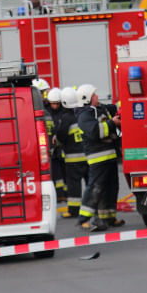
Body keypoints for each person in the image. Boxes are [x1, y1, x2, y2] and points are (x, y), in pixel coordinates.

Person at [76, 83, 123, 231]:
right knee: (95, 188)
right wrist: (112, 123)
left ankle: (108, 217)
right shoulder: (85, 115)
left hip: (110, 156)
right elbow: (95, 132)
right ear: (87, 98)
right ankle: (84, 219)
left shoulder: (101, 109)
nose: (97, 96)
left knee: (111, 187)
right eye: (94, 95)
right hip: (98, 158)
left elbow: (115, 108)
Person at [56, 87, 88, 218]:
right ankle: (94, 207)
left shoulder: (66, 118)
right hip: (88, 157)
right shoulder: (83, 114)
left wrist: (56, 141)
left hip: (72, 160)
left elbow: (61, 136)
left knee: (73, 185)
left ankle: (74, 211)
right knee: (91, 184)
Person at [46, 87, 67, 203]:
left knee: (65, 173)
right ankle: (59, 195)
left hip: (62, 148)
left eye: (57, 103)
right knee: (56, 173)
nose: (54, 106)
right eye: (53, 103)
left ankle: (65, 194)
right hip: (52, 149)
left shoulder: (64, 112)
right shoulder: (46, 111)